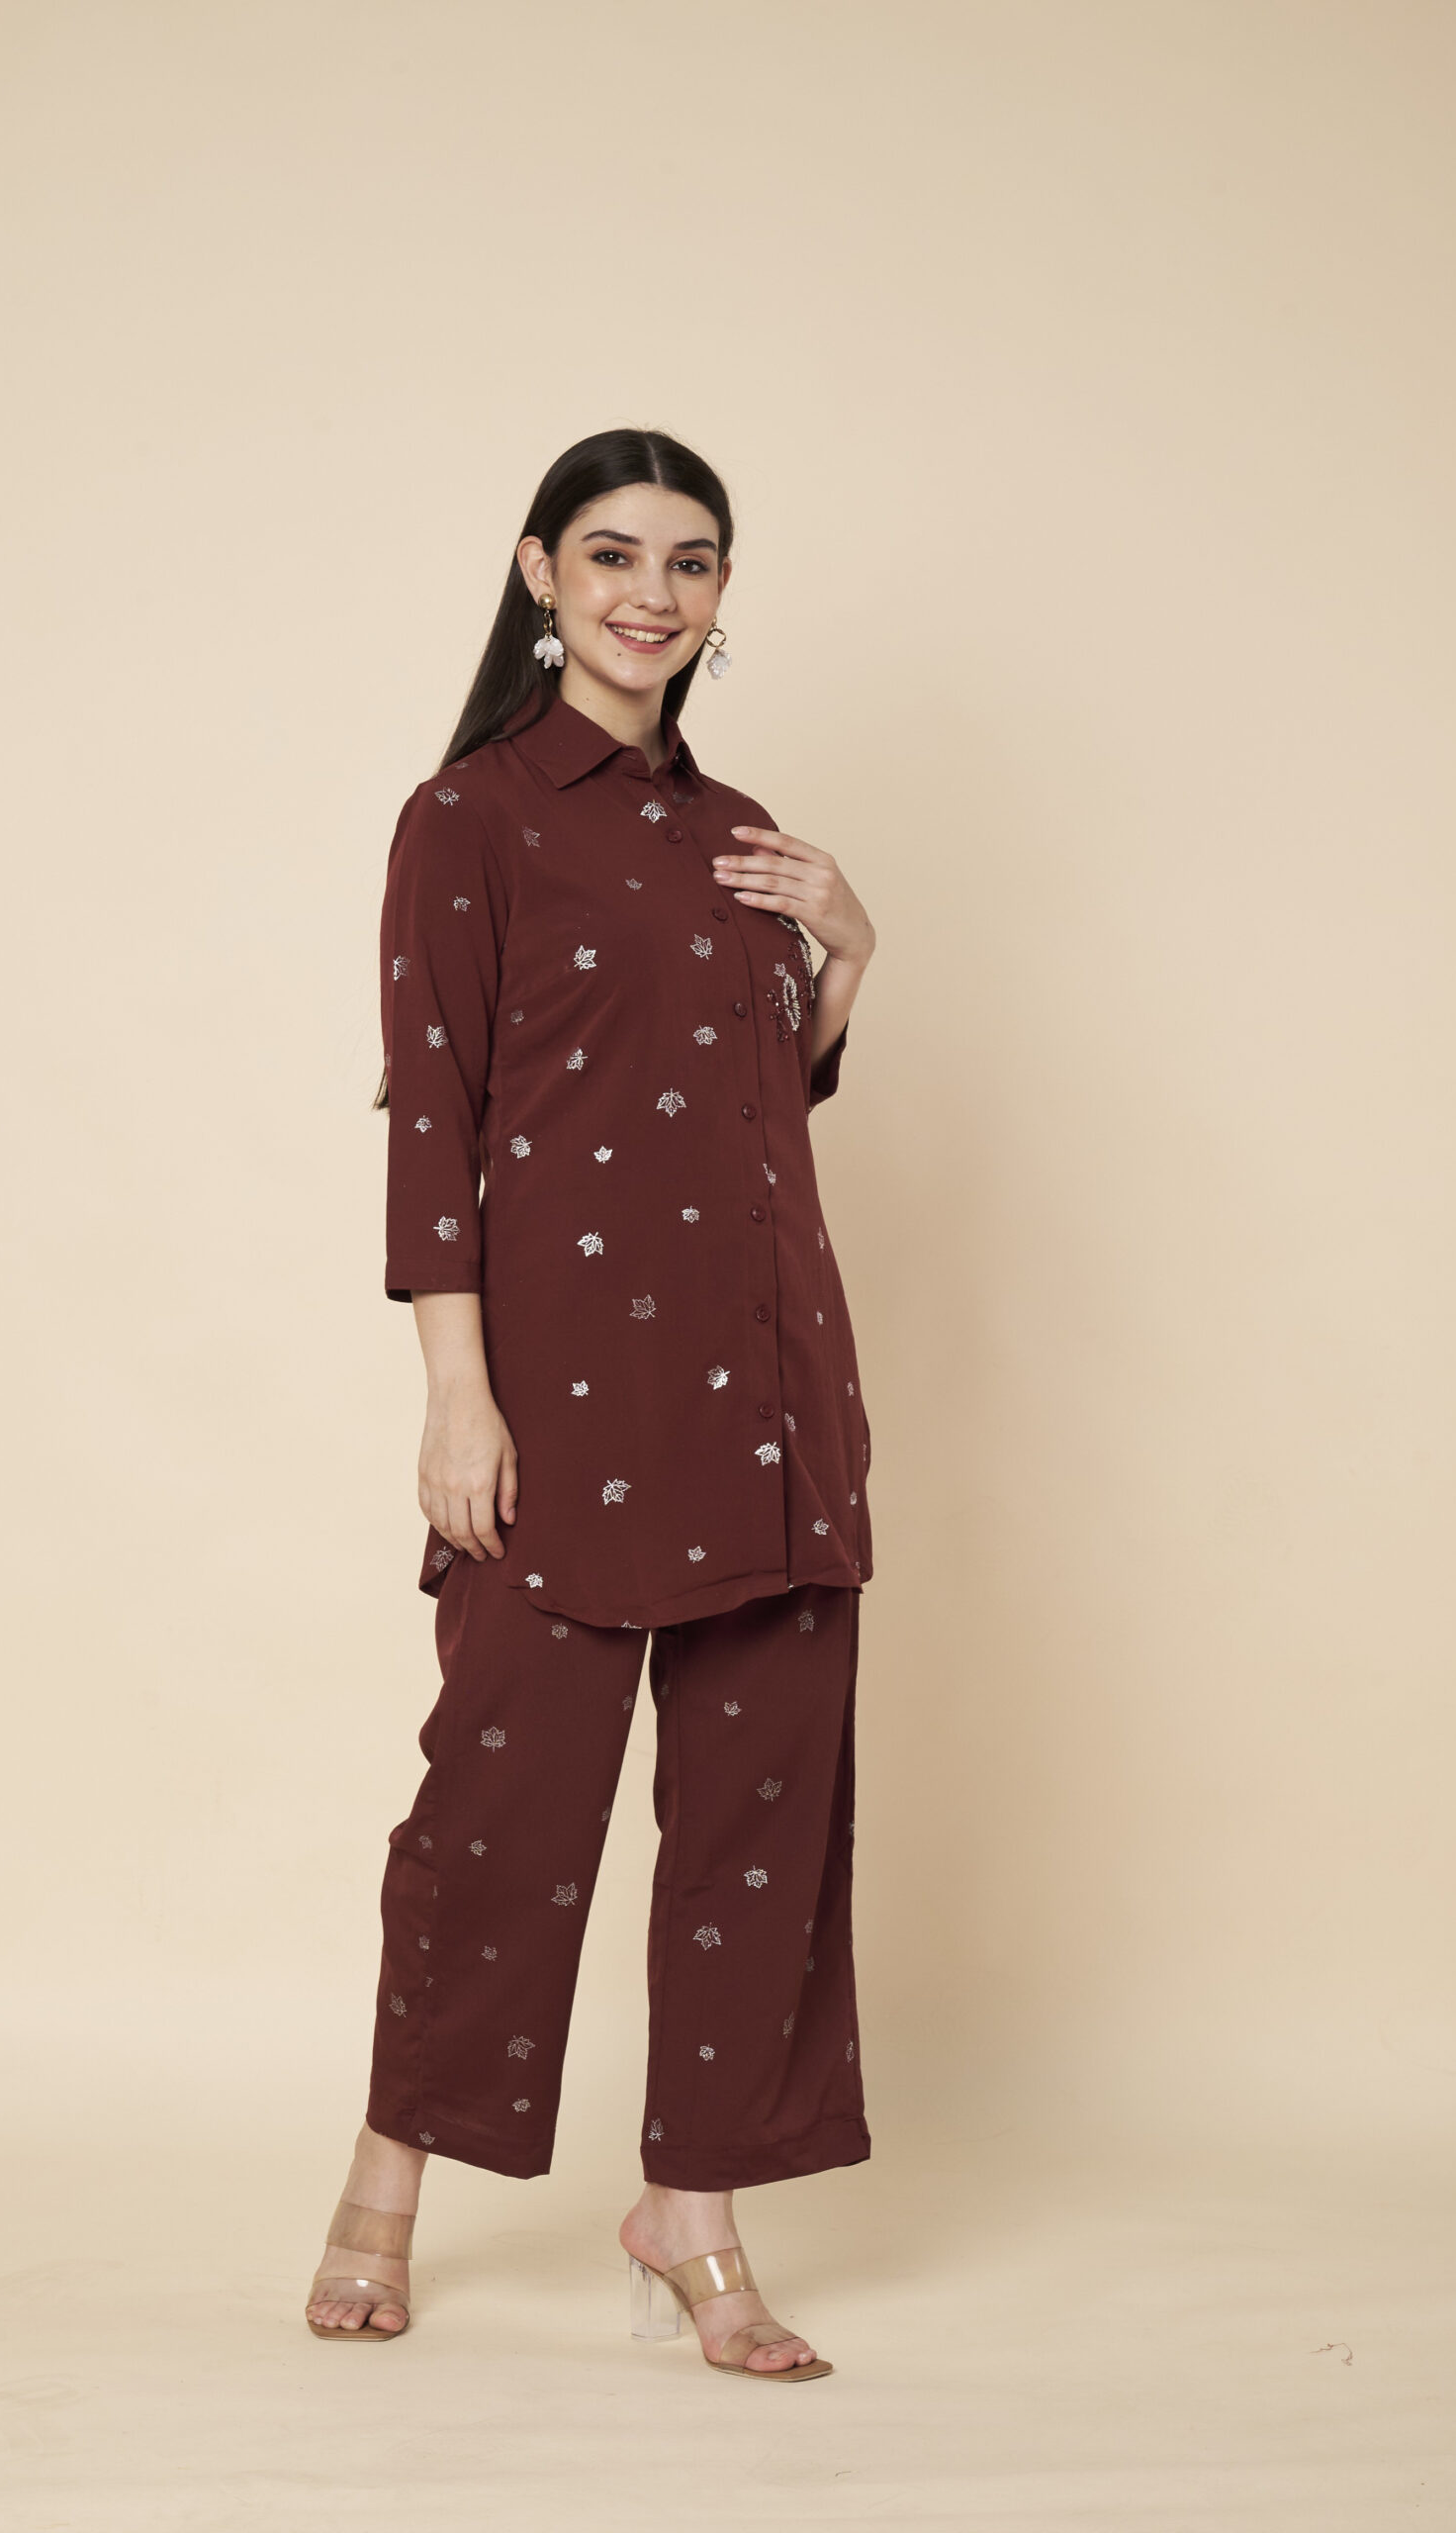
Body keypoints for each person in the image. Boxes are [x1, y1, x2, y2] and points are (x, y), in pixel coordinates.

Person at [306, 428, 878, 2382]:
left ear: (721, 597)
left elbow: (757, 1096)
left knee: (759, 1818)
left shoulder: (741, 828)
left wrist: (848, 952)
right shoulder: (467, 818)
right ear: (541, 571)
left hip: (773, 1387)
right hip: (565, 1396)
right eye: (617, 553)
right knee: (500, 1803)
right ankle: (383, 2180)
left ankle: (692, 2211)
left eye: (693, 560)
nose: (656, 592)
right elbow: (437, 1124)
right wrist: (455, 1399)